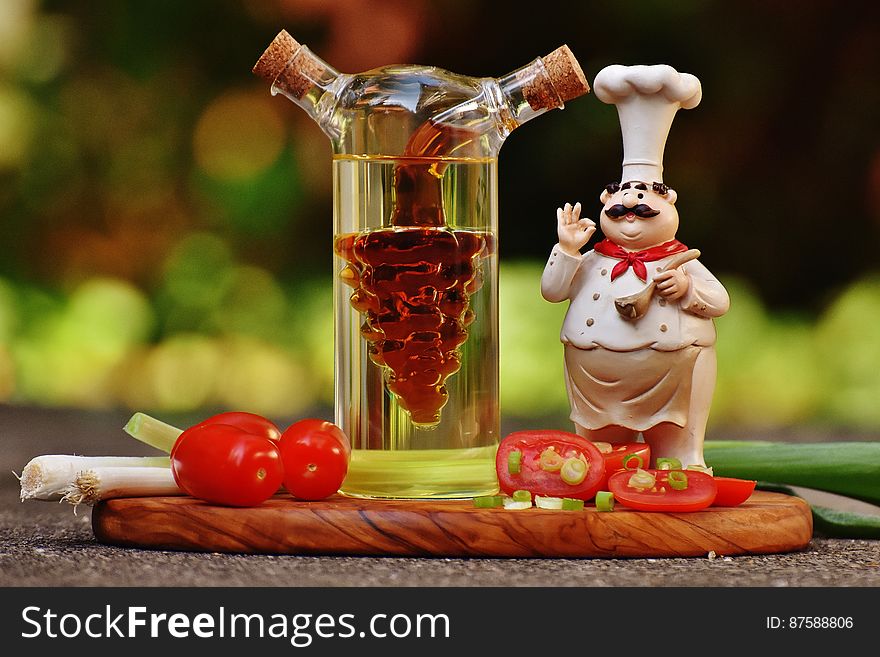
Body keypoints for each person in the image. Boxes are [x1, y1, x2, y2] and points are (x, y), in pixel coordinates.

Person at [540, 64, 729, 467]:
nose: (630, 204)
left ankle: (681, 459)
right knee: (602, 459)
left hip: (671, 380)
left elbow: (719, 301)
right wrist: (568, 250)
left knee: (675, 456)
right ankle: (601, 466)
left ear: (669, 203)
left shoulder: (681, 260)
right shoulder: (593, 257)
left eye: (644, 198)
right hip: (597, 388)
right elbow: (554, 291)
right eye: (623, 195)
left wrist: (687, 290)